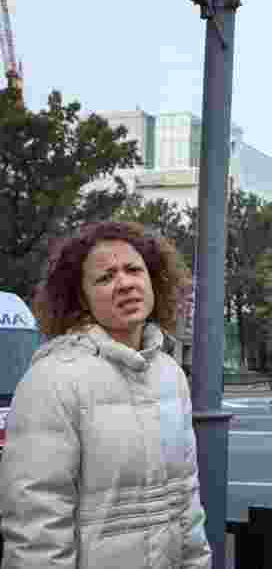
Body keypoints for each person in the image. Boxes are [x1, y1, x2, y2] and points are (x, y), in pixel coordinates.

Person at [0, 221, 211, 569]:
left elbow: (185, 498)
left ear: (153, 279)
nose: (125, 283)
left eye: (133, 269)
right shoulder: (52, 380)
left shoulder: (170, 374)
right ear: (80, 298)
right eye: (105, 277)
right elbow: (36, 525)